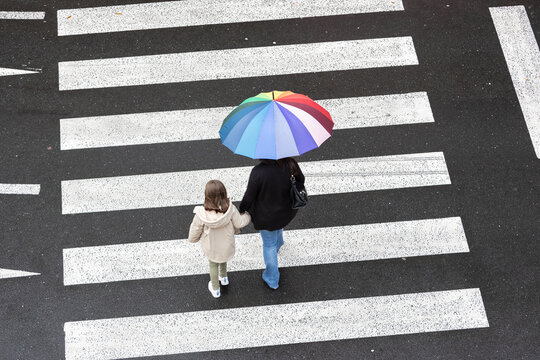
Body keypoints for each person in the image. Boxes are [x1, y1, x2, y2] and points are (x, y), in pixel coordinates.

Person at [239, 157, 305, 290]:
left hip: (266, 216)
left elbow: (249, 196)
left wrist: (241, 209)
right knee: (279, 227)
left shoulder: (258, 172)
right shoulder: (290, 163)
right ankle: (279, 243)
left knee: (269, 245)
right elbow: (301, 180)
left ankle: (272, 279)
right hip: (286, 211)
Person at [188, 180, 251, 298]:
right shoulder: (230, 209)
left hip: (211, 246)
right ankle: (224, 277)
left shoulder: (201, 214)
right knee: (223, 259)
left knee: (213, 264)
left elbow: (195, 228)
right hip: (226, 244)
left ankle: (215, 288)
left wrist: (193, 239)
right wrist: (248, 215)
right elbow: (239, 222)